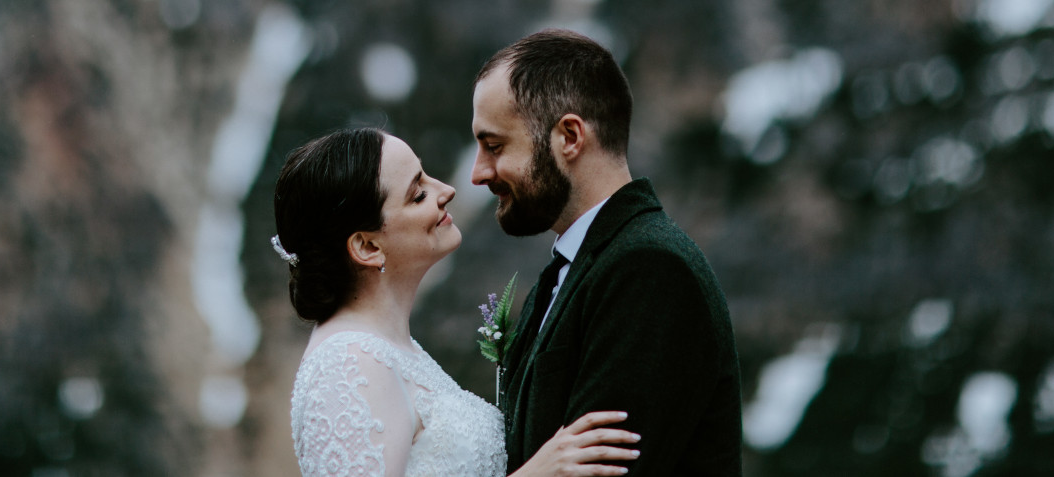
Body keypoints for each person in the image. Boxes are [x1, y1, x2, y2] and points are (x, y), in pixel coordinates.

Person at [273, 126, 641, 477]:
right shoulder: (347, 364)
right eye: (418, 194)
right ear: (367, 246)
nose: (446, 190)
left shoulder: (392, 349)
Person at [471, 29, 743, 476]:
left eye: (495, 146)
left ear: (570, 137)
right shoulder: (576, 268)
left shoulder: (649, 269)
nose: (479, 174)